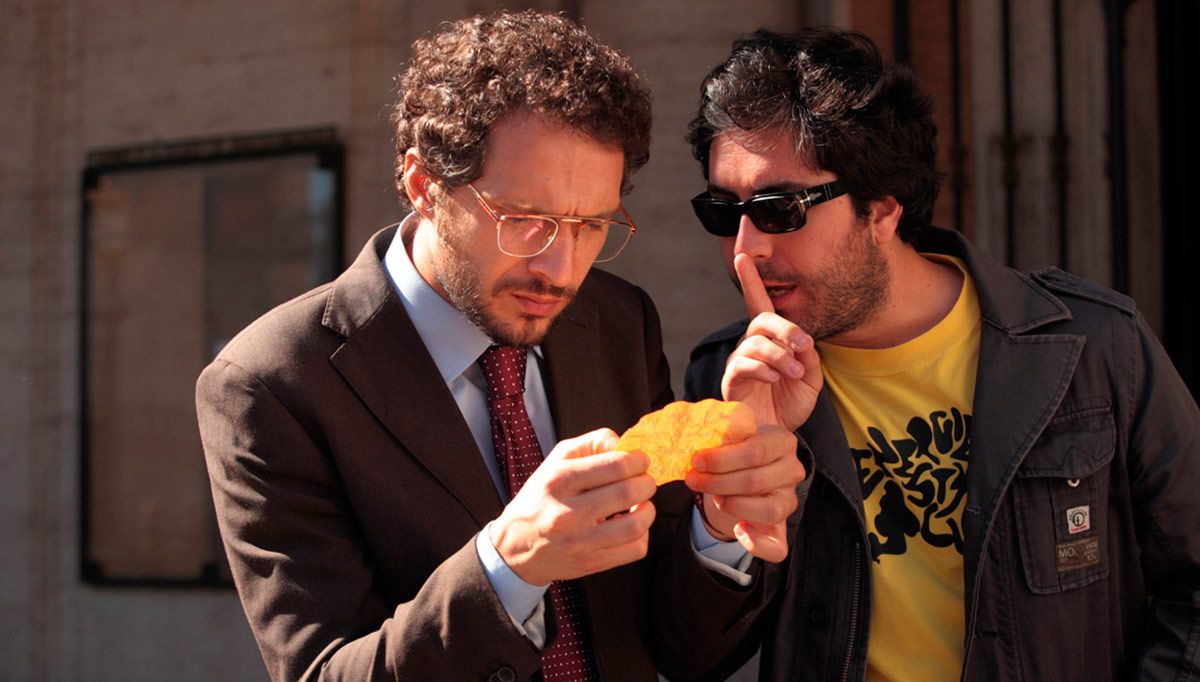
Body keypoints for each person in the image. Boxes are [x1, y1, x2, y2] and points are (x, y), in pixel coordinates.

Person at [195, 10, 802, 682]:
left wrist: (716, 530)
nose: (560, 270)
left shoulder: (618, 319)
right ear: (423, 186)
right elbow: (323, 672)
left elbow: (682, 651)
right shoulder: (272, 382)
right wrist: (507, 567)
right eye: (524, 220)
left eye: (591, 225)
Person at [668, 26, 1200, 682]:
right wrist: (739, 485)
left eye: (781, 209)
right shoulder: (730, 382)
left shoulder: (1095, 348)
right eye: (724, 212)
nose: (746, 249)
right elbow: (693, 655)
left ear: (882, 210)